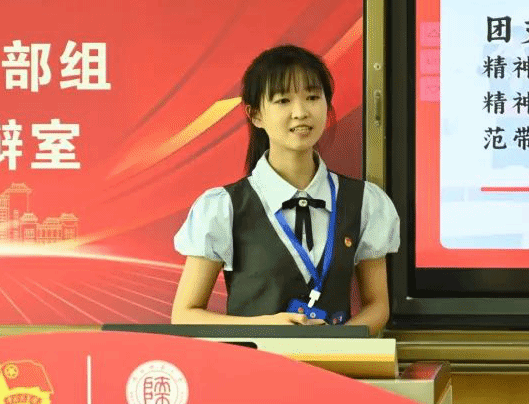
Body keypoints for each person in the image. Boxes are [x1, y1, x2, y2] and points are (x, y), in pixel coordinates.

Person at [171, 44, 400, 335]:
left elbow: (378, 305)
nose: (301, 112)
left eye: (312, 97)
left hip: (337, 363)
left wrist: (337, 342)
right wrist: (265, 327)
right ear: (255, 115)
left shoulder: (365, 201)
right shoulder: (223, 207)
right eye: (283, 100)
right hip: (254, 362)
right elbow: (185, 315)